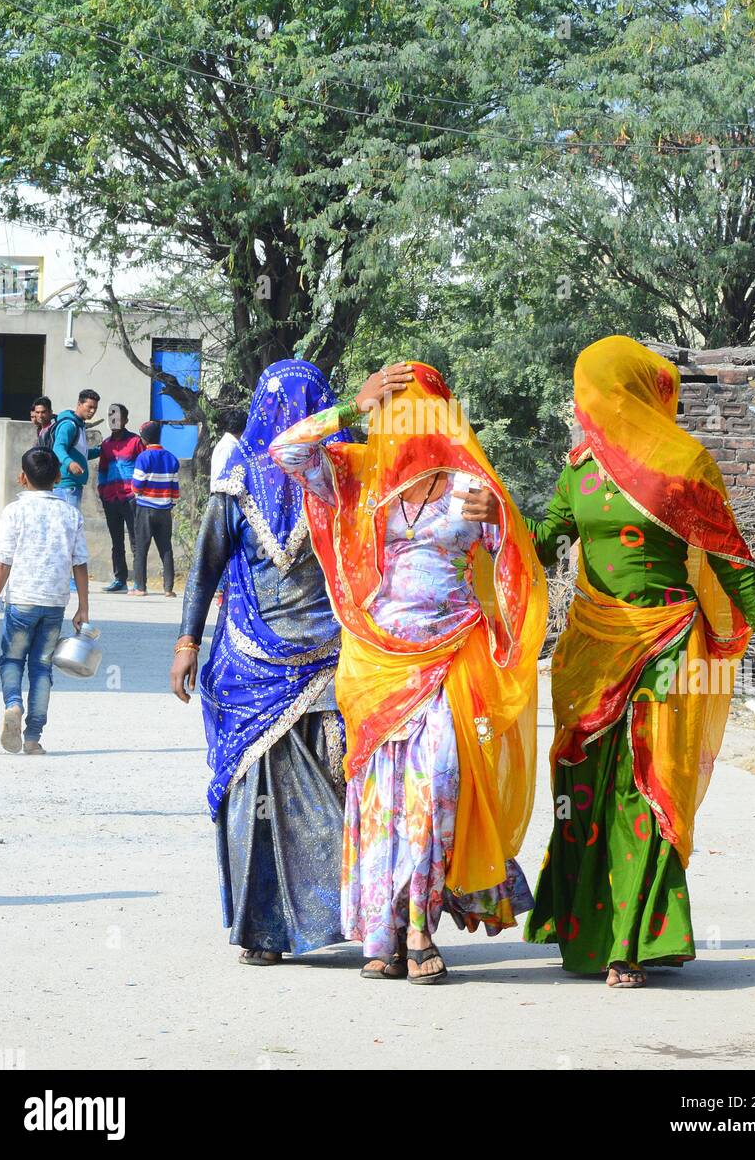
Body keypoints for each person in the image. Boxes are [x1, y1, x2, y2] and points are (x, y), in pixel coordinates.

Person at [519, 336, 755, 987]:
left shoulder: (684, 462)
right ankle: (588, 929)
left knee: (648, 784)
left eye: (589, 388)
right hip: (590, 651)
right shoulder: (581, 466)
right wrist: (497, 519)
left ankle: (633, 941)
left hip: (669, 647)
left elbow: (728, 556)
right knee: (584, 789)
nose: (580, 401)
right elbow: (544, 546)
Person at [270, 361, 547, 983]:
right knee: (379, 801)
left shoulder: (470, 487)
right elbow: (286, 449)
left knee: (437, 786)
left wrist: (503, 519)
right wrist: (351, 405)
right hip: (375, 663)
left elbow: (518, 566)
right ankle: (381, 933)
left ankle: (420, 924)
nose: (406, 418)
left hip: (450, 657)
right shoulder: (357, 475)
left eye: (421, 408)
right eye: (395, 406)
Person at [170, 362, 351, 965]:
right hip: (257, 665)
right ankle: (263, 929)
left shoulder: (342, 473)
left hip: (330, 660)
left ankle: (343, 917)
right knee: (261, 798)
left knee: (336, 785)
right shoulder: (242, 477)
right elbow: (208, 566)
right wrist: (186, 642)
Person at [0, 446, 89, 755]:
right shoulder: (71, 512)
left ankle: (13, 705)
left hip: (21, 602)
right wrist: (83, 607)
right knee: (42, 667)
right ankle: (33, 738)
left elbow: (4, 562)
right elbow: (79, 563)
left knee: (12, 660)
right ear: (58, 476)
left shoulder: (14, 511)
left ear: (21, 477)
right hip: (54, 603)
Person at [97, 405, 143, 593]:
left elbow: (143, 466)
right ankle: (120, 579)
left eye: (117, 417)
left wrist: (139, 492)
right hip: (111, 498)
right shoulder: (106, 444)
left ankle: (139, 581)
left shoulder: (135, 441)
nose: (113, 420)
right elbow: (102, 469)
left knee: (135, 539)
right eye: (110, 416)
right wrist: (102, 491)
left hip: (131, 498)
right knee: (117, 542)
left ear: (125, 420)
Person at [130, 421, 179, 596]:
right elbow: (175, 489)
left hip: (145, 508)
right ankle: (168, 589)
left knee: (141, 549)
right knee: (166, 549)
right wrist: (169, 504)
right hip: (165, 510)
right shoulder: (171, 458)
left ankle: (140, 587)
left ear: (144, 439)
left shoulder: (143, 457)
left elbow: (136, 486)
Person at [52, 389, 101, 510]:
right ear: (79, 404)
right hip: (66, 487)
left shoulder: (80, 425)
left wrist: (101, 450)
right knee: (68, 526)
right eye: (89, 407)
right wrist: (70, 463)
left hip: (73, 486)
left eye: (95, 408)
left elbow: (81, 454)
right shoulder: (69, 425)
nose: (92, 411)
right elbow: (58, 447)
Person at [209, 407, 248, 490]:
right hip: (223, 497)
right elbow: (219, 477)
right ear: (243, 427)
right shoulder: (227, 447)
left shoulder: (233, 444)